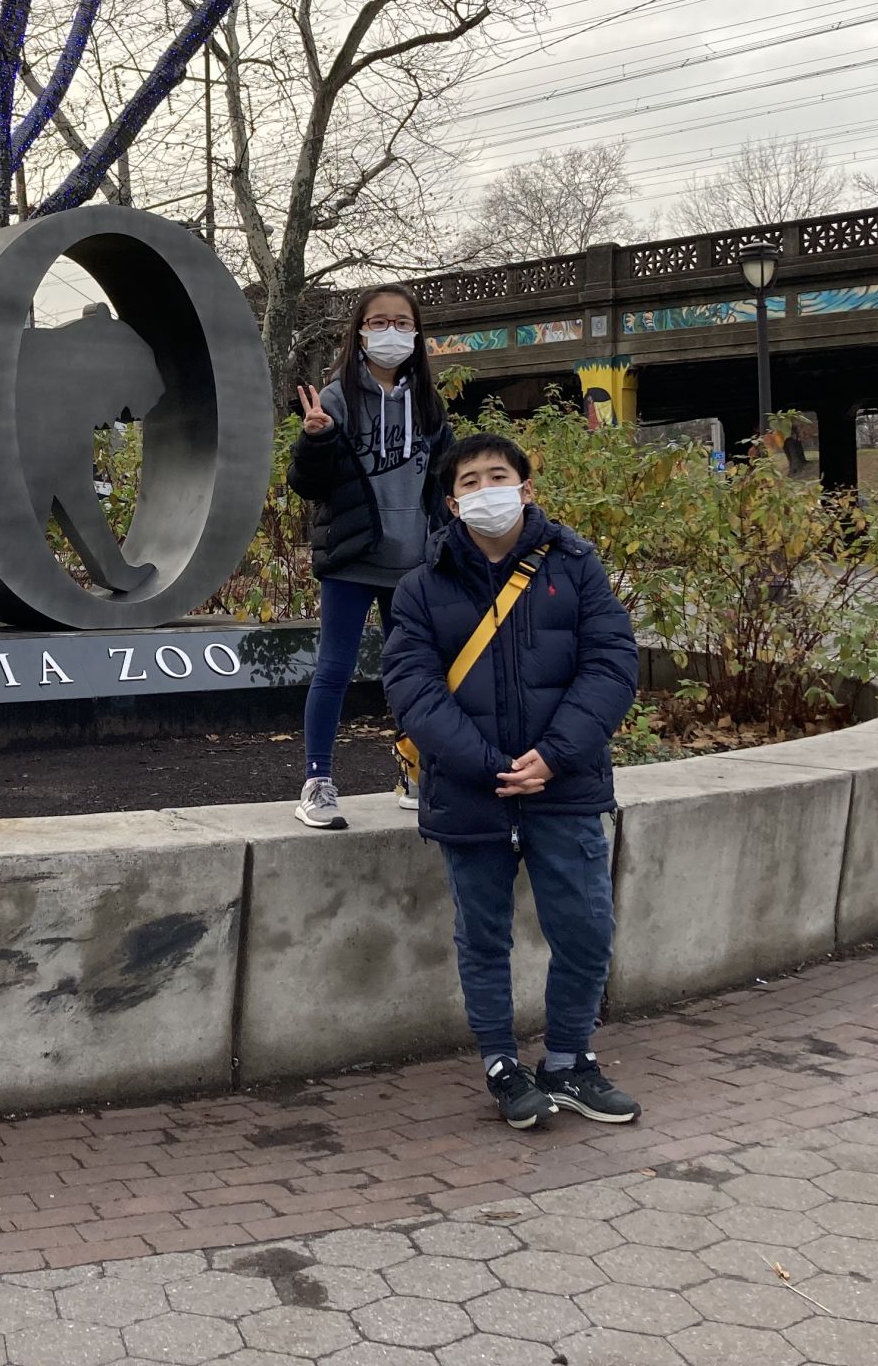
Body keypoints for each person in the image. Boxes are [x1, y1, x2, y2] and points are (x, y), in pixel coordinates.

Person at [383, 430, 641, 1129]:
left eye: (498, 476)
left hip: (565, 784)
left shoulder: (578, 567)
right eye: (469, 482)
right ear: (451, 501)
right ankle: (502, 1063)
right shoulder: (419, 588)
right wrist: (491, 764)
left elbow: (612, 664)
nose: (485, 490)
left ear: (527, 489)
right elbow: (413, 688)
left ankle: (568, 1061)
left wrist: (554, 755)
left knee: (586, 928)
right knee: (484, 937)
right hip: (474, 791)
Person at [284, 284, 450, 830]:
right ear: (359, 332)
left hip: (413, 565)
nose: (391, 332)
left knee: (414, 672)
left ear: (417, 333)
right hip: (354, 561)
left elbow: (446, 480)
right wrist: (315, 441)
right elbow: (308, 485)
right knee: (334, 670)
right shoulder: (335, 398)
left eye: (403, 322)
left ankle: (412, 771)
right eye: (379, 322)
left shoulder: (427, 402)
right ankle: (317, 781)